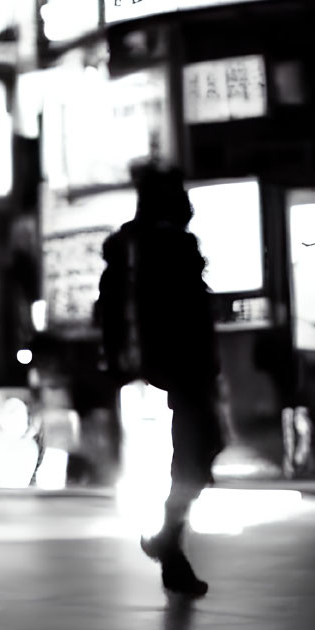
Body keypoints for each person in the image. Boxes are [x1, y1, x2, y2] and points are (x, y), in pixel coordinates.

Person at [94, 162, 223, 598]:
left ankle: (170, 548)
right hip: (183, 370)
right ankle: (169, 543)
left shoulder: (124, 246)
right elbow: (193, 315)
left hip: (139, 370)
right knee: (196, 454)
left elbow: (108, 310)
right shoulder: (175, 245)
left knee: (192, 456)